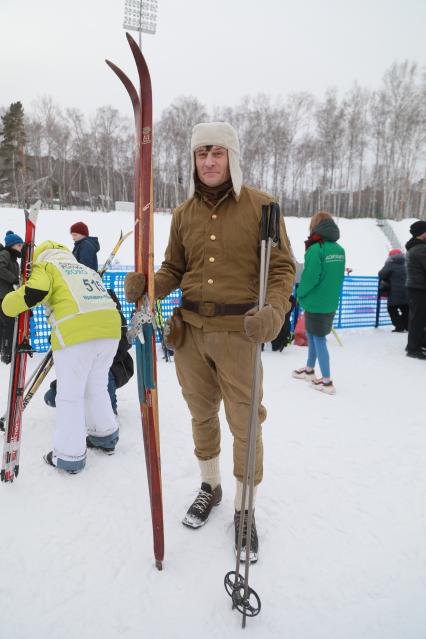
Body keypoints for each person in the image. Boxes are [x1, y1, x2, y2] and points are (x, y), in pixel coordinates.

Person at [124, 121, 295, 562]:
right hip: (189, 335)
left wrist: (274, 311)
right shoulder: (183, 214)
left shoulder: (263, 206)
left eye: (217, 153)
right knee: (201, 416)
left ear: (232, 157)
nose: (209, 161)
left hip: (241, 335)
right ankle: (211, 485)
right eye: (202, 154)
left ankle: (244, 507)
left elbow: (281, 270)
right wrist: (149, 286)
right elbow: (172, 270)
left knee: (246, 423)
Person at [1, 240, 121, 473]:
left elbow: (35, 292)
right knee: (96, 386)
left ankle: (70, 455)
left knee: (70, 396)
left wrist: (7, 304)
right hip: (110, 330)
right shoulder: (84, 269)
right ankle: (105, 435)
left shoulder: (45, 266)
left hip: (76, 333)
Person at [43, 288, 134, 414]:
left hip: (114, 367)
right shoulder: (86, 318)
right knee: (51, 398)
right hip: (85, 366)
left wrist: (97, 355)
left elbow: (120, 349)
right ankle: (84, 404)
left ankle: (108, 409)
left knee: (102, 376)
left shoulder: (116, 320)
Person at [292, 211, 345, 394]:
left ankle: (327, 380)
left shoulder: (316, 249)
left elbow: (310, 277)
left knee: (318, 338)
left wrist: (300, 293)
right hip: (330, 302)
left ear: (315, 226)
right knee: (312, 334)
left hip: (315, 301)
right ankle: (309, 369)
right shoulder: (339, 250)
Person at [0, 230, 24, 364]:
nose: (21, 248)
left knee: (5, 324)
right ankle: (7, 353)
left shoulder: (13, 259)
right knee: (9, 323)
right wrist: (14, 279)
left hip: (6, 295)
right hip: (2, 296)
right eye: (19, 245)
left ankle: (4, 350)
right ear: (12, 245)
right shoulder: (5, 254)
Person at [405, 221, 426, 360]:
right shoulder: (420, 249)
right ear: (422, 233)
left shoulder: (415, 247)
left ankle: (416, 343)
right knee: (418, 319)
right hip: (420, 288)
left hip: (416, 287)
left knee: (418, 317)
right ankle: (413, 348)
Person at [378, 249, 409, 332]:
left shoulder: (390, 264)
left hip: (394, 293)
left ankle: (399, 327)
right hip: (407, 292)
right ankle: (407, 326)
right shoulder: (406, 264)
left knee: (391, 309)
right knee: (406, 310)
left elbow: (381, 274)